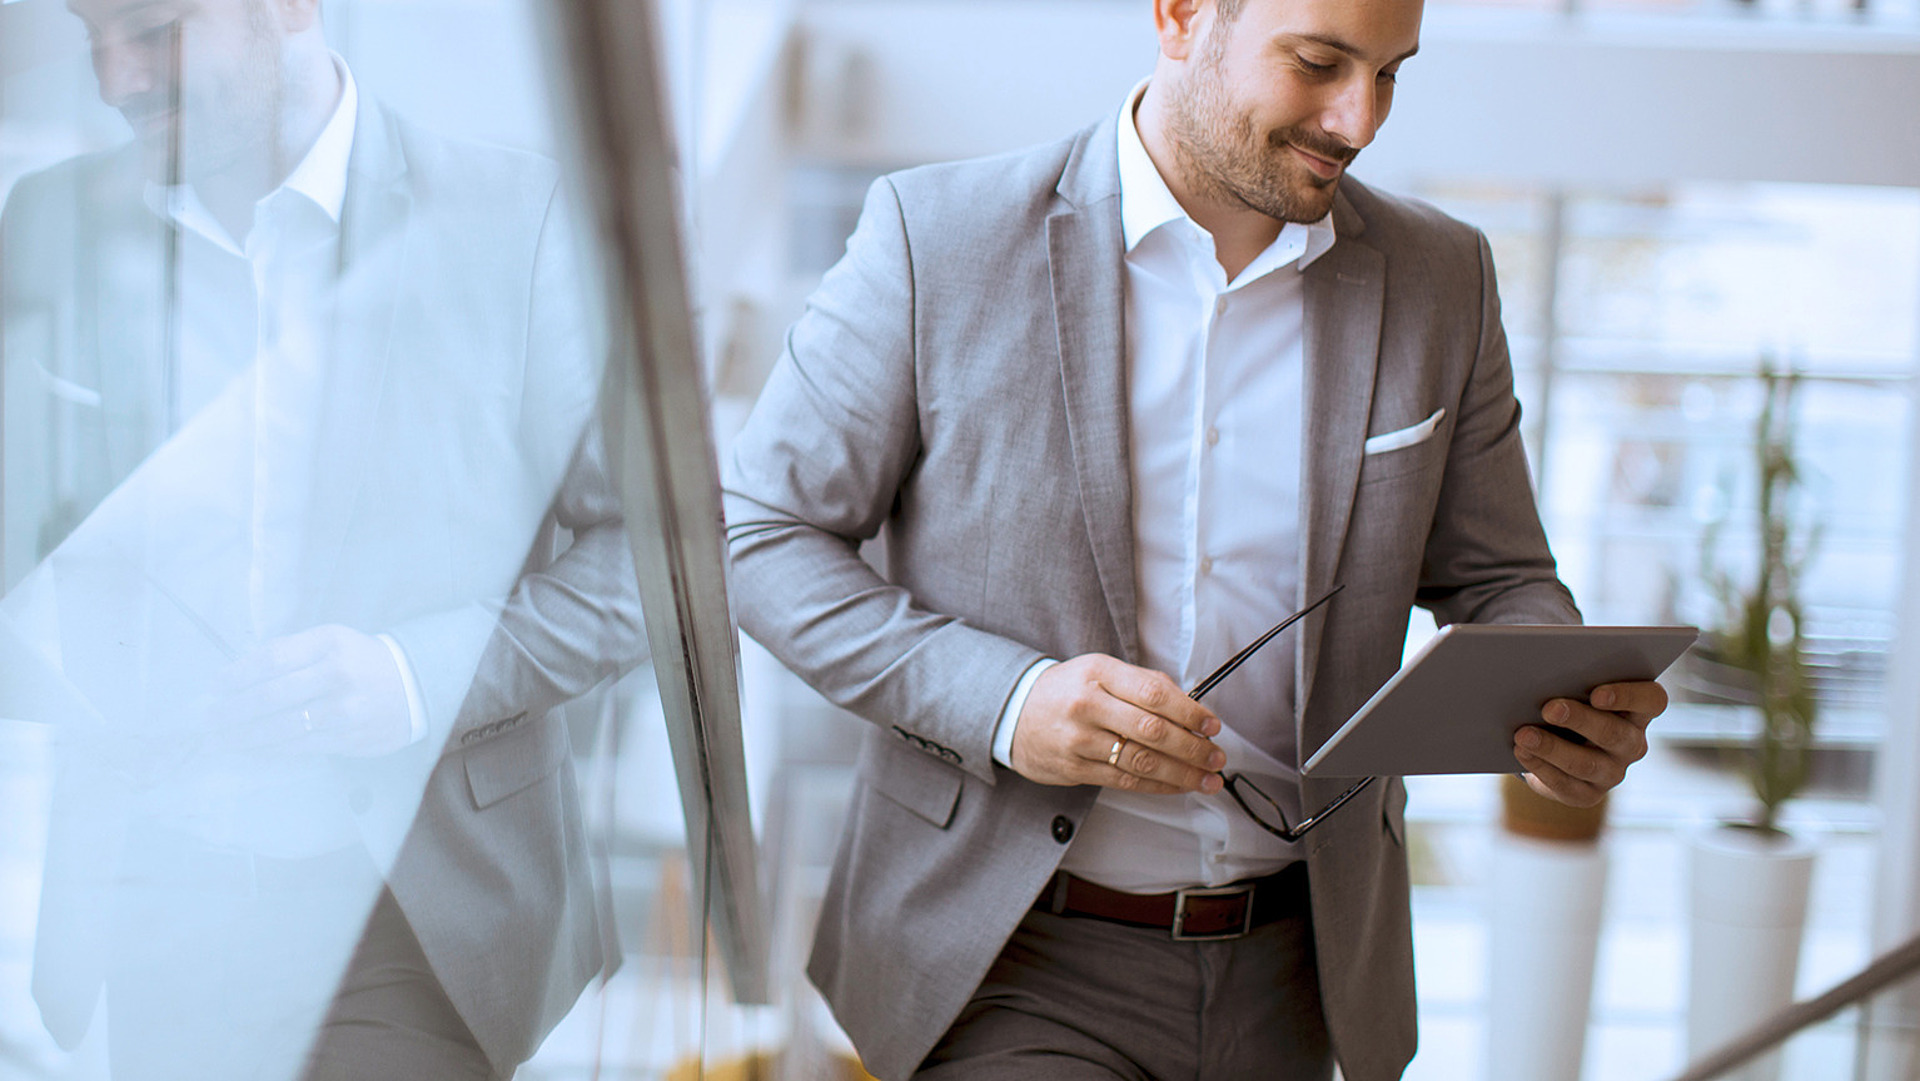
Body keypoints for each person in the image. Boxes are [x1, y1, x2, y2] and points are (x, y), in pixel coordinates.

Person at [721, 0, 1670, 1078]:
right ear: (1178, 16)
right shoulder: (937, 238)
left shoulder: (1444, 279)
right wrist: (1006, 700)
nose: (1358, 120)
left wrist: (1560, 699)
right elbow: (756, 532)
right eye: (1319, 63)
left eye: (1392, 74)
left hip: (1303, 976)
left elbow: (1501, 577)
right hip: (1008, 956)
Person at [0, 0, 643, 1077]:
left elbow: (651, 560)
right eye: (89, 34)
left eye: (153, 33)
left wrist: (408, 676)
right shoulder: (52, 221)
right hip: (156, 898)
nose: (113, 79)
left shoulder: (520, 217)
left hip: (412, 900)